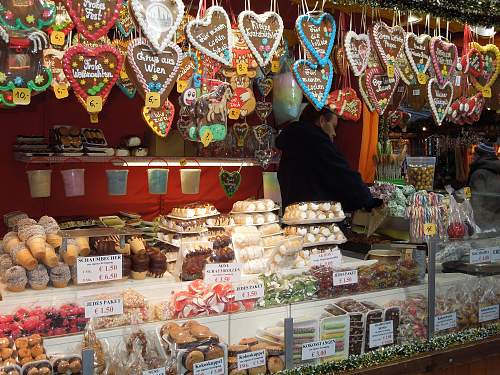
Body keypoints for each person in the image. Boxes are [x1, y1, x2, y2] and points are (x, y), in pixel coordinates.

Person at [276, 104, 382, 212]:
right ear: (322, 121)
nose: (334, 133)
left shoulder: (292, 142)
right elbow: (342, 174)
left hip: (292, 215)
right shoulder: (317, 141)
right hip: (315, 219)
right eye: (333, 126)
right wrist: (368, 201)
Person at [468, 142, 500, 231]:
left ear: (480, 156)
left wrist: (482, 226)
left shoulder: (479, 174)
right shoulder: (497, 171)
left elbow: (476, 203)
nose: (473, 156)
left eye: (475, 154)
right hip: (496, 223)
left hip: (485, 226)